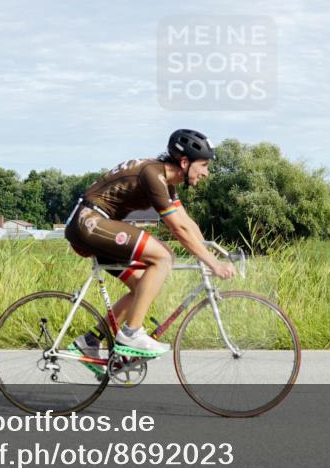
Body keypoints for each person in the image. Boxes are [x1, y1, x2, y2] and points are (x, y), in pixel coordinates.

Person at [64, 129, 236, 364]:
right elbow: (178, 229)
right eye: (204, 165)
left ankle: (89, 342)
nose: (206, 173)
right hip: (90, 222)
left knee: (140, 286)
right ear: (184, 162)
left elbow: (187, 222)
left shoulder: (166, 183)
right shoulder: (153, 175)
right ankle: (132, 334)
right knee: (164, 256)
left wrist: (209, 247)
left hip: (95, 225)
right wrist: (212, 263)